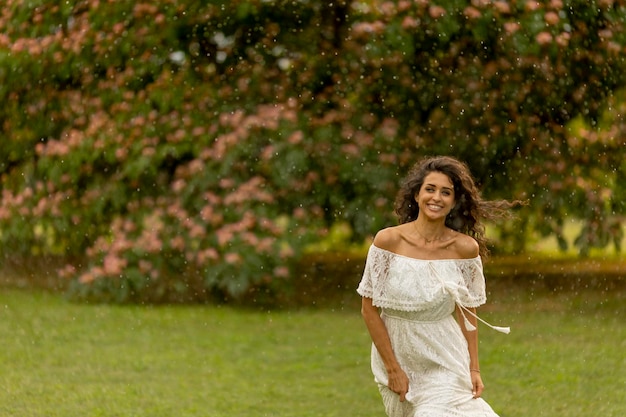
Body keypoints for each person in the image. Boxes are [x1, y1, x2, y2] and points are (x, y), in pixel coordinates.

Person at [357, 155, 521, 417]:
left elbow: (468, 313)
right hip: (397, 355)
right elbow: (369, 309)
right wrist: (393, 368)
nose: (437, 197)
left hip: (445, 355)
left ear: (455, 201)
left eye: (446, 192)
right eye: (430, 189)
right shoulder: (388, 241)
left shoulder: (465, 249)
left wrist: (474, 368)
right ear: (416, 194)